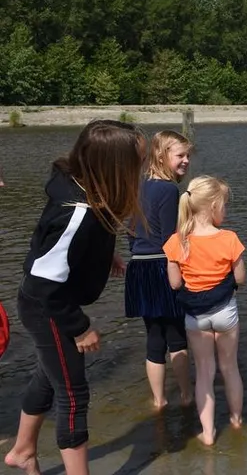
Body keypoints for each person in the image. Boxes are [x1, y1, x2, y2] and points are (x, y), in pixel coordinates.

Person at [4, 120, 145, 475]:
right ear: (113, 168)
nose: (140, 172)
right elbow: (42, 285)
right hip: (47, 307)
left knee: (49, 377)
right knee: (73, 393)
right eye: (136, 164)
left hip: (53, 302)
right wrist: (80, 328)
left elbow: (69, 245)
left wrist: (101, 254)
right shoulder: (77, 213)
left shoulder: (82, 188)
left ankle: (22, 451)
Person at [163, 175, 245, 446]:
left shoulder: (176, 242)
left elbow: (175, 283)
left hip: (195, 316)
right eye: (224, 205)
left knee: (204, 373)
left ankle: (208, 433)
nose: (225, 210)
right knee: (230, 368)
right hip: (225, 311)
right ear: (212, 206)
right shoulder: (229, 238)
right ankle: (235, 420)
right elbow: (241, 278)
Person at [124, 130, 192, 409]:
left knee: (154, 337)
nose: (186, 161)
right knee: (176, 335)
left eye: (188, 155)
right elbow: (170, 239)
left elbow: (130, 232)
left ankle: (158, 400)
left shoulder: (136, 187)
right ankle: (188, 395)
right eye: (180, 155)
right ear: (162, 156)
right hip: (162, 266)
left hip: (138, 268)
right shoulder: (168, 189)